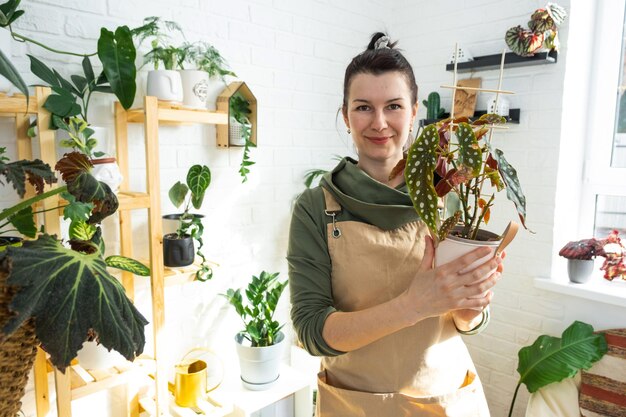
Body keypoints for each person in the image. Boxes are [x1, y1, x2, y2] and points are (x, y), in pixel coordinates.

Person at [287, 32, 504, 416]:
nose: (380, 122)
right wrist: (413, 306)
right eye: (363, 107)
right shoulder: (315, 208)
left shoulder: (447, 195)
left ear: (415, 111)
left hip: (445, 398)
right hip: (354, 404)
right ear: (345, 115)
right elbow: (311, 331)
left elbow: (466, 320)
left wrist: (471, 311)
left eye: (393, 106)